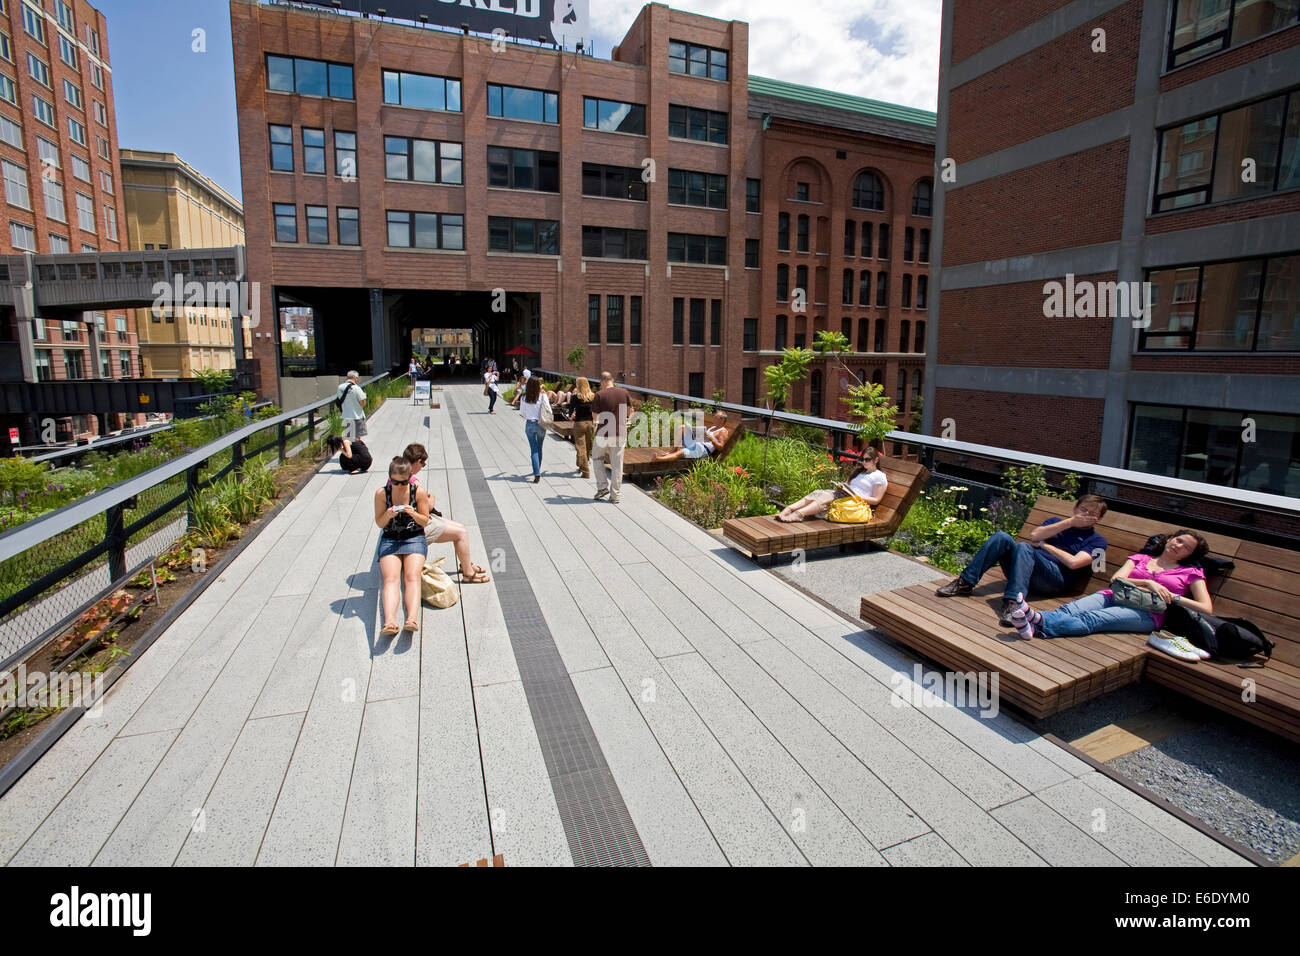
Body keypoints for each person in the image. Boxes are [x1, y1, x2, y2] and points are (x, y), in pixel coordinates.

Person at [935, 494, 1110, 626]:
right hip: (1024, 570)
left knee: (1024, 547)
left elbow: (1074, 563)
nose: (1086, 514)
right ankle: (965, 582)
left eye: (1092, 513)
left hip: (1053, 580)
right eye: (1083, 510)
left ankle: (1014, 604)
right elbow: (1034, 535)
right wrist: (1070, 523)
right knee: (1001, 537)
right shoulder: (1056, 522)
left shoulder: (1098, 542)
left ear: (1099, 519)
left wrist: (1044, 546)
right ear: (1075, 508)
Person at [1013, 530, 1213, 640]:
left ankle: (1036, 620)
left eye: (1185, 547)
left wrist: (1173, 597)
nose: (1177, 546)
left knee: (1093, 619)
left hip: (1147, 613)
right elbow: (1116, 579)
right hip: (1113, 595)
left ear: (1190, 555)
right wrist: (1148, 582)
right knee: (1070, 609)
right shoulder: (1140, 558)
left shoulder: (1191, 573)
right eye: (1178, 540)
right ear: (1170, 538)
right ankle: (1032, 625)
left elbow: (1206, 608)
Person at [402, 443, 490, 583]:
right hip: (415, 527)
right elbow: (428, 506)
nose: (421, 467)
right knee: (461, 533)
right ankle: (468, 573)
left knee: (461, 528)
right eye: (422, 464)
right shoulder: (413, 482)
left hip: (410, 522)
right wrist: (431, 499)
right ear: (418, 461)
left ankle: (466, 564)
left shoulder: (398, 473)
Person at [374, 457, 431, 636]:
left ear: (409, 478)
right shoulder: (382, 494)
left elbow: (425, 520)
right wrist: (389, 514)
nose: (399, 486)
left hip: (414, 537)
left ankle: (411, 619)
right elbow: (380, 523)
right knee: (390, 578)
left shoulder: (418, 492)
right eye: (395, 482)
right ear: (390, 478)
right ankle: (389, 621)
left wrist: (413, 513)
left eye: (403, 482)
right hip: (390, 538)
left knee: (411, 576)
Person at [775, 445, 887, 520]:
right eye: (862, 459)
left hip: (855, 502)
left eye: (867, 460)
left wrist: (857, 496)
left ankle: (798, 514)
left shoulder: (879, 477)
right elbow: (847, 484)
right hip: (845, 496)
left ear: (876, 460)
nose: (864, 462)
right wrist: (842, 487)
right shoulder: (859, 472)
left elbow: (876, 500)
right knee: (819, 492)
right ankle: (789, 509)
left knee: (826, 498)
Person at [590, 371, 634, 504]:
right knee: (617, 465)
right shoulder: (624, 392)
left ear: (602, 382)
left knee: (597, 458)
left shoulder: (599, 395)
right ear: (612, 380)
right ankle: (615, 496)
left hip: (603, 433)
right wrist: (627, 420)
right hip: (620, 433)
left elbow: (595, 417)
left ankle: (602, 487)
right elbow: (631, 411)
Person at [653, 412, 731, 462]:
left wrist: (711, 439)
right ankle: (671, 451)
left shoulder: (722, 431)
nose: (713, 419)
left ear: (721, 420)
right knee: (682, 427)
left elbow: (721, 447)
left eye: (715, 417)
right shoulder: (712, 427)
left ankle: (659, 459)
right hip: (696, 443)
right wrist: (696, 432)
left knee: (680, 453)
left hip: (702, 450)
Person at [519, 376, 551, 484]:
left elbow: (522, 413)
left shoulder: (524, 398)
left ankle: (536, 472)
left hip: (530, 424)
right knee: (539, 447)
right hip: (541, 424)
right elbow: (548, 410)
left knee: (533, 449)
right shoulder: (543, 396)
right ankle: (538, 469)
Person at [569, 377, 595, 478]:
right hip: (590, 423)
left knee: (580, 447)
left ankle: (586, 471)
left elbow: (571, 411)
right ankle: (581, 465)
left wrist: (571, 415)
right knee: (587, 446)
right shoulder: (593, 396)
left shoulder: (575, 397)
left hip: (579, 423)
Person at [335, 370, 367, 440]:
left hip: (346, 416)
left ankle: (349, 450)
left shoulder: (340, 387)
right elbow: (363, 403)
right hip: (357, 416)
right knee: (357, 438)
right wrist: (364, 396)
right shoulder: (357, 388)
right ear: (354, 377)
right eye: (357, 378)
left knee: (348, 438)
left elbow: (340, 399)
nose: (358, 380)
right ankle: (356, 450)